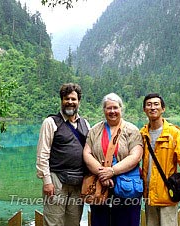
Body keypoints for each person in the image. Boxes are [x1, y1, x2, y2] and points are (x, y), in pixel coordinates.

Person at [140, 93, 180, 226]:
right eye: (149, 105)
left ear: (163, 109)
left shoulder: (173, 133)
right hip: (149, 196)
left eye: (156, 104)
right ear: (144, 109)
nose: (152, 108)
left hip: (167, 194)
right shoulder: (142, 134)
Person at [83, 93, 143, 226]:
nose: (112, 111)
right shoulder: (94, 130)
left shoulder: (131, 130)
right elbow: (87, 154)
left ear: (121, 109)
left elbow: (136, 155)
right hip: (100, 186)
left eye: (115, 108)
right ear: (104, 110)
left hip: (127, 188)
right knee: (100, 221)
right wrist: (102, 174)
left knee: (127, 222)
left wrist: (112, 171)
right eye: (108, 108)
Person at [36, 83, 90, 226]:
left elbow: (90, 152)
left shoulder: (85, 124)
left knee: (73, 222)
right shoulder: (50, 122)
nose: (70, 102)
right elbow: (43, 153)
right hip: (56, 181)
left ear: (79, 101)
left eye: (73, 99)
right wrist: (47, 181)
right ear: (61, 100)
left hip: (78, 182)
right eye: (67, 99)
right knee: (54, 222)